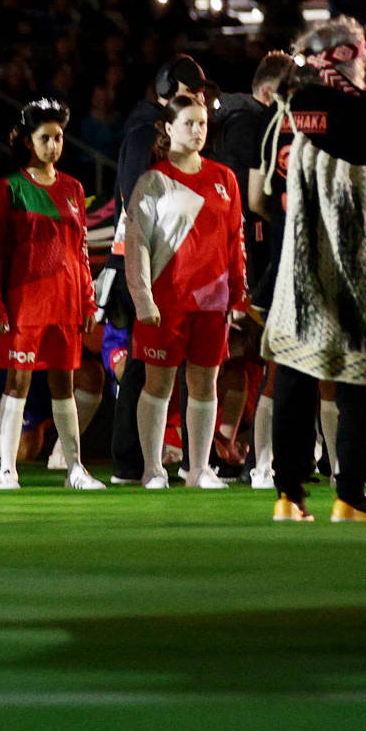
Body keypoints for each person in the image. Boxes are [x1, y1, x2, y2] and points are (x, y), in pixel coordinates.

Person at [260, 18, 366, 523]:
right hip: (356, 253)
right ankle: (349, 494)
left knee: (295, 369)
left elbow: (264, 189)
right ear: (350, 55)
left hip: (301, 251)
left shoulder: (293, 106)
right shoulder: (365, 110)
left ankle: (287, 496)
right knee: (361, 369)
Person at [123, 94, 244, 490]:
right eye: (189, 123)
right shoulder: (152, 181)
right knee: (158, 385)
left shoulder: (225, 179)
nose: (197, 131)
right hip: (166, 301)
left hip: (212, 302)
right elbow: (136, 243)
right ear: (169, 129)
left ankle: (198, 470)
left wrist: (237, 295)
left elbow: (234, 242)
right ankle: (153, 468)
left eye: (202, 124)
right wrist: (143, 298)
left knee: (205, 385)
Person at [0, 98, 101, 491]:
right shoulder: (8, 188)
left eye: (59, 137)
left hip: (65, 304)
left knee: (63, 386)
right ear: (28, 142)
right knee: (17, 384)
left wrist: (87, 300)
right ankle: (7, 470)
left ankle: (75, 469)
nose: (53, 145)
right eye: (45, 138)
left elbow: (81, 250)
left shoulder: (74, 188)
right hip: (24, 306)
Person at [106, 54, 212, 481]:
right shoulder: (143, 133)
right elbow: (138, 203)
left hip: (159, 262)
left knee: (151, 365)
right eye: (190, 91)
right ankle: (131, 461)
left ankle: (152, 460)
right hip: (144, 262)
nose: (198, 101)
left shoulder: (149, 129)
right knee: (140, 364)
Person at [209, 51, 293, 487]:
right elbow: (248, 202)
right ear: (267, 93)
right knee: (243, 355)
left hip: (256, 258)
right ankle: (233, 455)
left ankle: (233, 447)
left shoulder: (260, 127)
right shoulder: (252, 128)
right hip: (250, 260)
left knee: (249, 360)